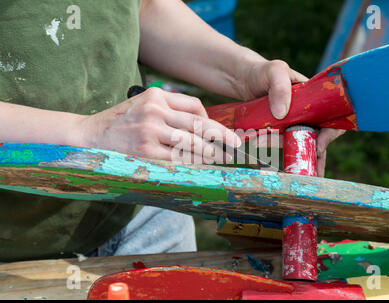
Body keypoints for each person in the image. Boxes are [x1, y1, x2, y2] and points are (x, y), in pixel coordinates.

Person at [0, 0, 344, 261]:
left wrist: (243, 70)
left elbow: (142, 6)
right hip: (15, 253)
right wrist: (87, 133)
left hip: (144, 207)